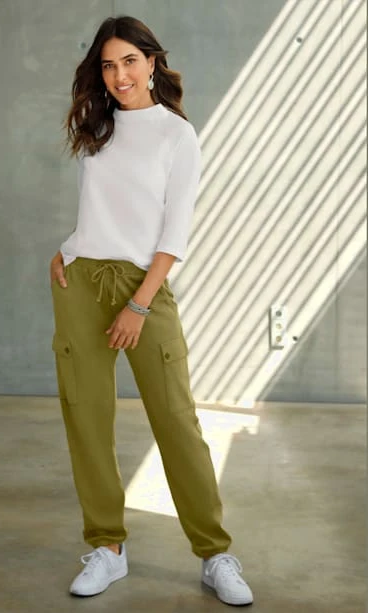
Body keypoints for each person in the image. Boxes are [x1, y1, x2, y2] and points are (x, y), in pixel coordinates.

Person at [49, 15, 253, 607]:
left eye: (130, 62)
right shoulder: (98, 128)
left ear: (152, 62)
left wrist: (139, 304)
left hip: (144, 287)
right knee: (86, 418)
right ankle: (107, 547)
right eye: (108, 66)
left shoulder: (175, 135)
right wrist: (66, 250)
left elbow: (173, 233)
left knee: (176, 421)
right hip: (81, 282)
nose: (119, 76)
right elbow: (99, 210)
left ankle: (214, 553)